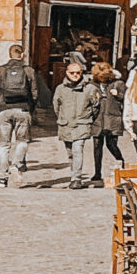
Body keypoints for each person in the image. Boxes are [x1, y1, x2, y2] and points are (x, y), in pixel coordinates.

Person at [0, 45, 45, 187]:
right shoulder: (29, 71)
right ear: (22, 54)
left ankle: (2, 179)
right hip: (23, 109)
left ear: (9, 54)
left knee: (4, 145)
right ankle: (16, 164)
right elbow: (35, 93)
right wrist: (30, 109)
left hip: (3, 110)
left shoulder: (0, 70)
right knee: (22, 141)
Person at [52, 54, 99, 189]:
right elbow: (56, 106)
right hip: (66, 124)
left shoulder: (90, 89)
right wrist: (62, 118)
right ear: (67, 73)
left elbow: (96, 106)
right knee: (70, 152)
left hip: (81, 124)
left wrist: (87, 118)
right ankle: (74, 174)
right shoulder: (60, 89)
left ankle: (76, 179)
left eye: (78, 73)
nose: (75, 75)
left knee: (78, 149)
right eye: (72, 73)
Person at [89, 62, 128, 182]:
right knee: (97, 146)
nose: (102, 79)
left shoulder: (118, 83)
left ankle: (122, 164)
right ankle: (97, 173)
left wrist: (119, 95)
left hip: (112, 117)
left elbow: (127, 98)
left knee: (111, 144)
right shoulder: (92, 85)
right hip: (98, 118)